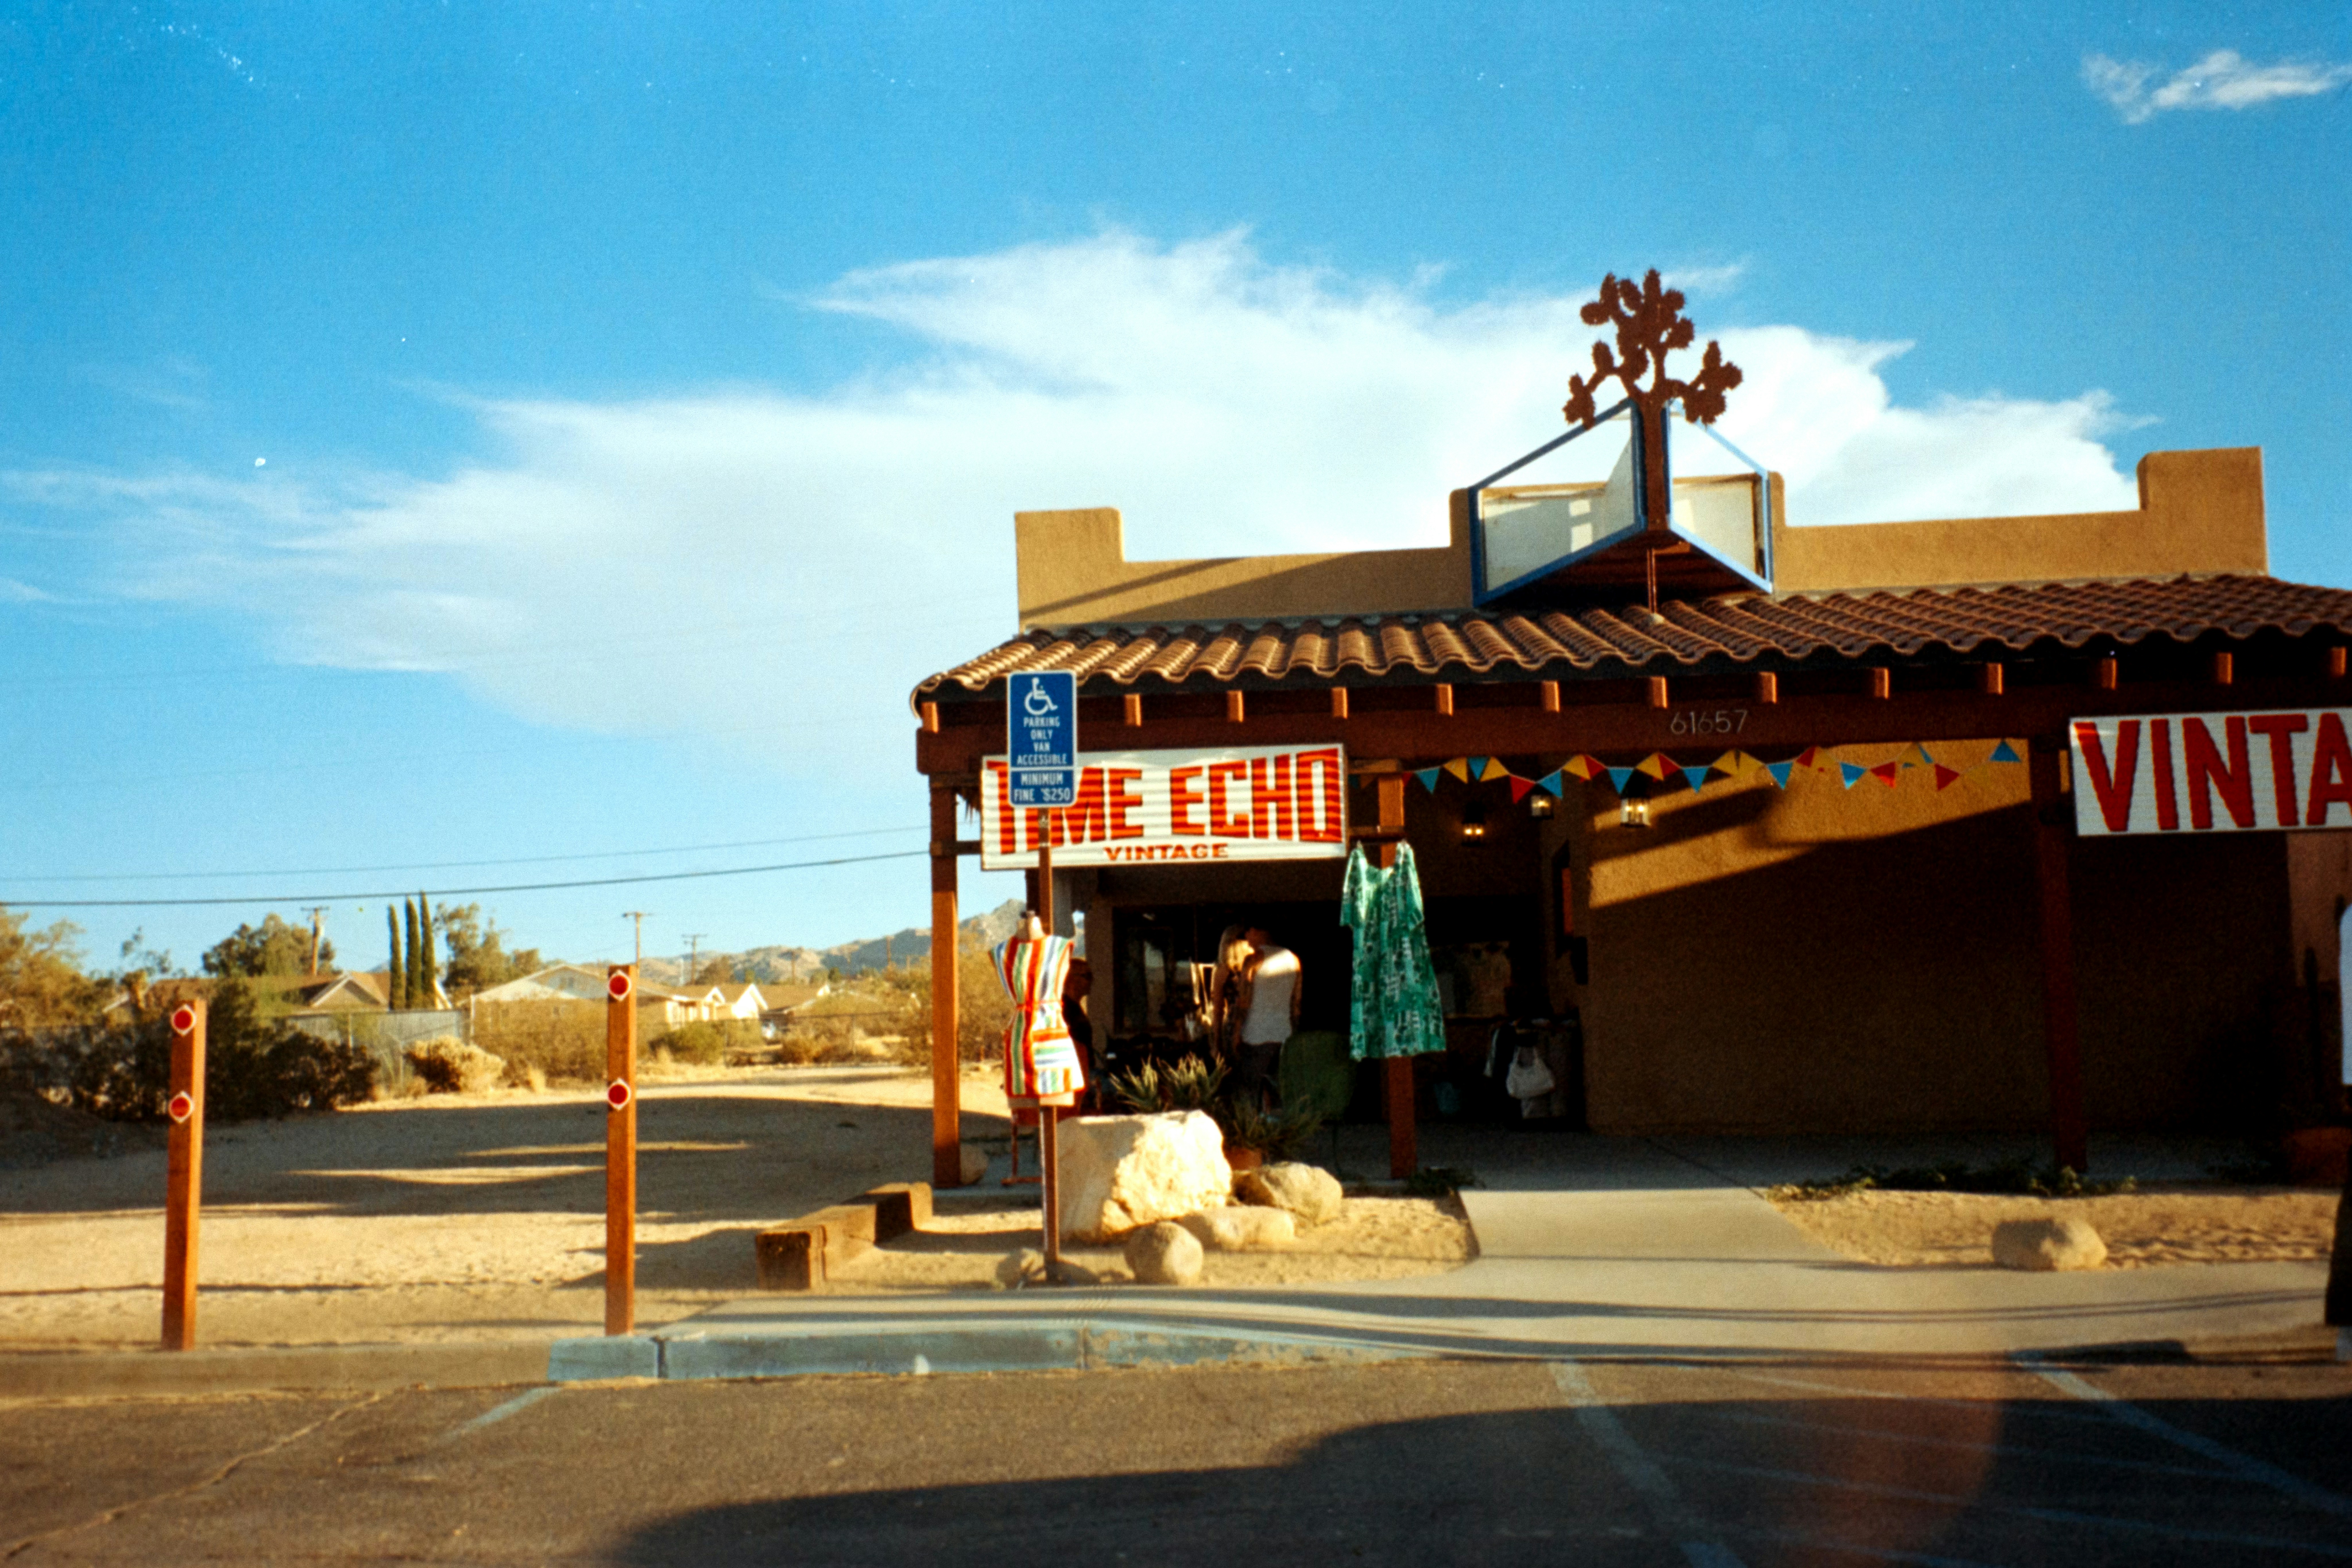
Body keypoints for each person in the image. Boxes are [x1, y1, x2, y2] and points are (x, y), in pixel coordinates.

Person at [1233, 925, 1300, 1110]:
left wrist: (1236, 1032)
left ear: (1257, 931)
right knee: (1280, 1092)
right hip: (1283, 1034)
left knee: (1249, 1092)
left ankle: (1251, 1124)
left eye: (1248, 932)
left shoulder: (1254, 960)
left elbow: (1244, 1001)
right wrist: (1294, 1033)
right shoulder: (1294, 960)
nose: (1246, 938)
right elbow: (1296, 1003)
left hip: (1256, 1035)